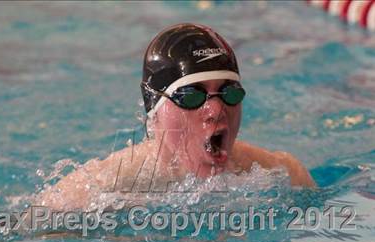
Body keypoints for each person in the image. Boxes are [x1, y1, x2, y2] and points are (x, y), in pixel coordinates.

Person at [35, 23, 315, 211]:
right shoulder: (98, 191)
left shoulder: (282, 174)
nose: (216, 111)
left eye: (229, 94)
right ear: (154, 110)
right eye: (192, 96)